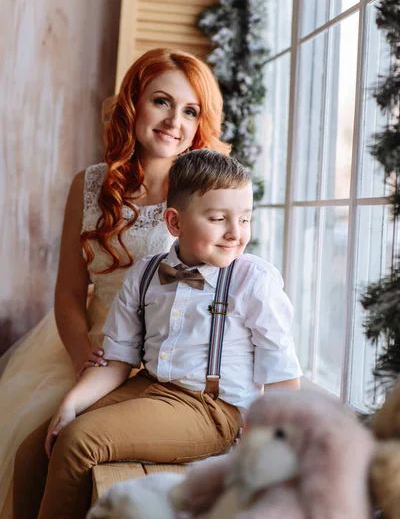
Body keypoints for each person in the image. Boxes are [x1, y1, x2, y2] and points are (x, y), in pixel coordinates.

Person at [0, 48, 230, 519]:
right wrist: (83, 354)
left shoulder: (208, 194)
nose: (174, 121)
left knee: (66, 449)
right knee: (28, 454)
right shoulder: (89, 185)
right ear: (133, 103)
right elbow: (68, 291)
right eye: (162, 101)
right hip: (90, 347)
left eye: (191, 111)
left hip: (160, 358)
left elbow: (222, 295)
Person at [13, 149, 302, 519]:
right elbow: (117, 360)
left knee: (78, 442)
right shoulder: (147, 274)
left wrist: (273, 448)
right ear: (174, 222)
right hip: (145, 387)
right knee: (34, 449)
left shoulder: (253, 282)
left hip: (210, 408)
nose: (236, 233)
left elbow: (282, 375)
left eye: (245, 219)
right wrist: (72, 402)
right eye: (219, 218)